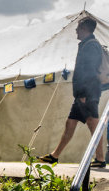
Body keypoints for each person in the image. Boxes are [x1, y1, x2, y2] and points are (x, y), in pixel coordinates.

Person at [40, 17, 105, 168]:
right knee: (71, 123)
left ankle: (100, 158)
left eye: (78, 28)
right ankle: (55, 155)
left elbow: (89, 70)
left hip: (87, 93)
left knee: (93, 123)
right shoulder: (86, 45)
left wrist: (83, 94)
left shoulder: (91, 46)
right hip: (84, 93)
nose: (76, 30)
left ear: (85, 29)